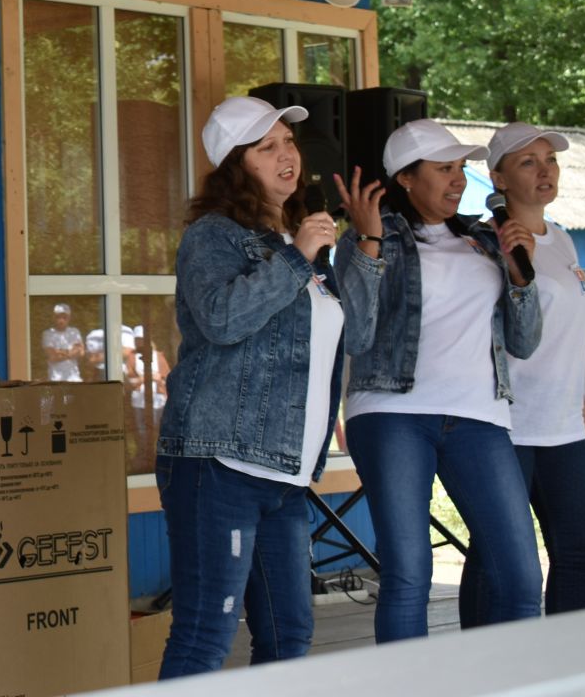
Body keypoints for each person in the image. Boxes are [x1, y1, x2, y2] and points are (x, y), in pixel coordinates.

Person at [154, 96, 384, 677]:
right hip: (219, 462)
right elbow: (222, 320)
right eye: (267, 147)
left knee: (289, 636)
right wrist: (297, 257)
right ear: (236, 164)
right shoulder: (214, 236)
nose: (287, 155)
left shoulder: (300, 239)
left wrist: (369, 247)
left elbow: (356, 334)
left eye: (288, 141)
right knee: (206, 632)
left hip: (284, 474)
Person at [344, 118, 544, 643]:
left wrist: (521, 275)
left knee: (522, 575)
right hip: (393, 413)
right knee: (410, 574)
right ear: (406, 178)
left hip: (480, 416)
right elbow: (356, 334)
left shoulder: (484, 240)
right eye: (444, 169)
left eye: (461, 169)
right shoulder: (371, 235)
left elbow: (524, 343)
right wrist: (367, 239)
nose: (459, 180)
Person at [458, 123, 585, 625]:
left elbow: (565, 340)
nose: (545, 171)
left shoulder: (562, 241)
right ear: (496, 178)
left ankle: (566, 668)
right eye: (528, 162)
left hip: (563, 428)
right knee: (496, 557)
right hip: (506, 424)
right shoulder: (480, 245)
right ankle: (482, 665)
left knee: (579, 554)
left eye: (551, 160)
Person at [41, 302, 83, 380]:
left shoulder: (75, 332)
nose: (61, 320)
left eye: (64, 317)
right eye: (58, 317)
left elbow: (81, 352)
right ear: (53, 317)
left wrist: (60, 352)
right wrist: (71, 352)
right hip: (56, 379)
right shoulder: (48, 333)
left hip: (75, 378)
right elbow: (53, 356)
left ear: (69, 318)